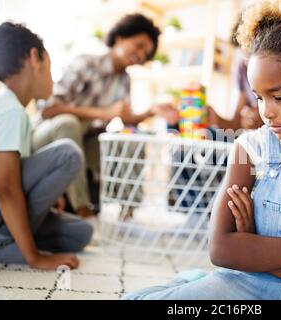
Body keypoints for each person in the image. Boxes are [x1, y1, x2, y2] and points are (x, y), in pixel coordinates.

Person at [124, 0, 281, 300]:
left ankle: (193, 282)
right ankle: (187, 285)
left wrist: (253, 249)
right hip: (244, 284)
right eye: (259, 98)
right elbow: (221, 250)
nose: (266, 112)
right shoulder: (249, 149)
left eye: (279, 97)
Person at [32, 14, 179, 218]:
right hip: (49, 137)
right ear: (119, 37)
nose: (141, 55)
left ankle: (128, 210)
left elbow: (126, 117)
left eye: (146, 52)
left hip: (84, 140)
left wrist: (152, 111)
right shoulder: (86, 62)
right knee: (69, 123)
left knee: (130, 139)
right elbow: (49, 110)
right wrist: (103, 113)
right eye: (138, 45)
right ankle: (82, 209)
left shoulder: (124, 80)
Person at [0, 22, 93, 269]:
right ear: (35, 58)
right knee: (68, 154)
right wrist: (35, 258)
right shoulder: (11, 111)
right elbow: (5, 189)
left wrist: (48, 191)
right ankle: (2, 244)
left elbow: (18, 171)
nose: (52, 78)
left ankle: (10, 239)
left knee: (80, 232)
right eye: (50, 66)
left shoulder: (8, 105)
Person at [207, 16, 263, 132]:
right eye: (243, 51)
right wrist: (215, 118)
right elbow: (236, 123)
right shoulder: (241, 67)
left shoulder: (278, 65)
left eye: (250, 50)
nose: (246, 58)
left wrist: (264, 117)